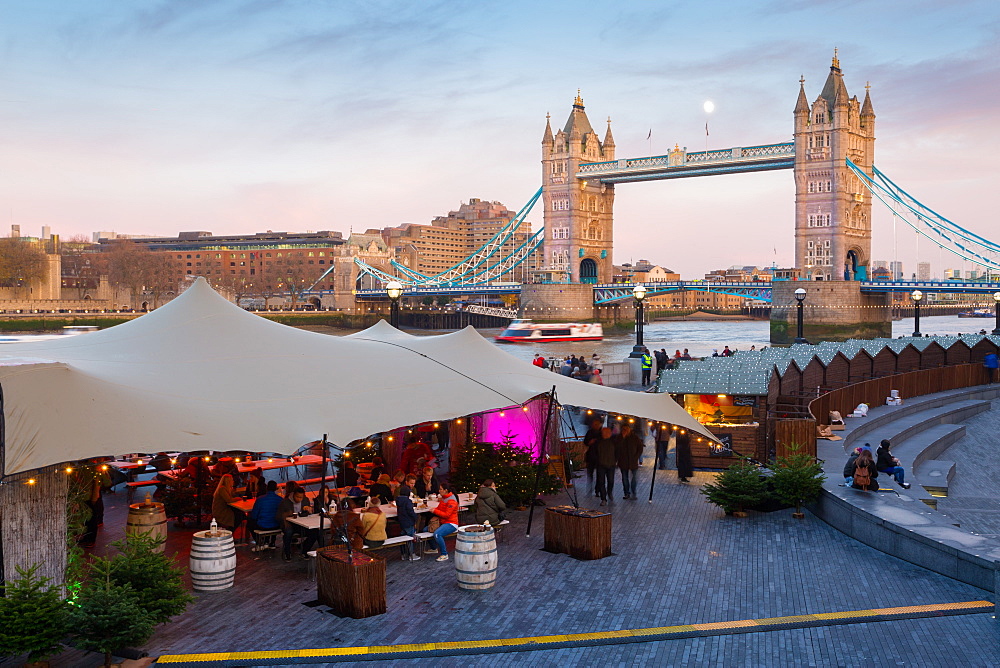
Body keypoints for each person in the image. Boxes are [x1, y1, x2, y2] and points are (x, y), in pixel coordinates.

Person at [278, 488, 316, 561]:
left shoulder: (305, 500)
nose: (299, 499)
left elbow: (309, 514)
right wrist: (287, 515)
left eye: (301, 497)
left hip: (302, 524)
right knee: (288, 533)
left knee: (315, 532)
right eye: (297, 497)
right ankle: (287, 553)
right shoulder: (285, 502)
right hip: (289, 524)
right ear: (293, 495)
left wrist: (309, 510)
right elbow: (279, 516)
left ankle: (304, 550)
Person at [425, 483, 459, 562]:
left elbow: (447, 515)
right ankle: (434, 548)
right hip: (443, 522)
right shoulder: (444, 498)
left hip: (451, 523)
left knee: (437, 534)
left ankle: (444, 554)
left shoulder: (451, 501)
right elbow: (440, 509)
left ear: (445, 490)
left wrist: (434, 510)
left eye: (441, 489)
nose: (439, 491)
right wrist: (434, 509)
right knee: (426, 529)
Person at [248, 480, 283, 549]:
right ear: (276, 488)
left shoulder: (260, 499)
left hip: (262, 526)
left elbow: (254, 515)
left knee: (250, 523)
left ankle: (260, 543)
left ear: (267, 488)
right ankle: (272, 542)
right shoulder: (280, 499)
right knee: (274, 519)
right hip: (276, 526)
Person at [395, 475, 419, 561]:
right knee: (410, 538)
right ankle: (411, 554)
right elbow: (410, 511)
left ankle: (403, 554)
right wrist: (415, 517)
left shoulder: (398, 501)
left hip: (402, 522)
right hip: (409, 522)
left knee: (403, 538)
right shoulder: (407, 501)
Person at [616, 424, 642, 499]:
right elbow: (617, 447)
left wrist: (636, 456)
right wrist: (623, 438)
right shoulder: (619, 438)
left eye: (627, 429)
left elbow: (640, 447)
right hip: (623, 461)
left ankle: (633, 492)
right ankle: (626, 493)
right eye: (624, 429)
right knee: (625, 478)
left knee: (634, 478)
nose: (625, 431)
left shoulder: (634, 437)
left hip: (633, 461)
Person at [594, 426, 617, 506]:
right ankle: (603, 498)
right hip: (601, 465)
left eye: (607, 432)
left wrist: (616, 461)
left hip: (611, 464)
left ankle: (609, 492)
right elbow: (595, 452)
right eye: (604, 433)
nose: (605, 434)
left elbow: (617, 452)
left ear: (610, 433)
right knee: (601, 482)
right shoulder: (598, 441)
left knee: (610, 481)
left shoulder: (614, 441)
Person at [583, 417, 604, 495]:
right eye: (594, 424)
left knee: (599, 475)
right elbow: (585, 442)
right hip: (591, 456)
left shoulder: (602, 433)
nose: (595, 426)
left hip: (599, 456)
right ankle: (589, 488)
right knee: (590, 474)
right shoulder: (590, 432)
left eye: (597, 424)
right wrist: (590, 442)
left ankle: (597, 490)